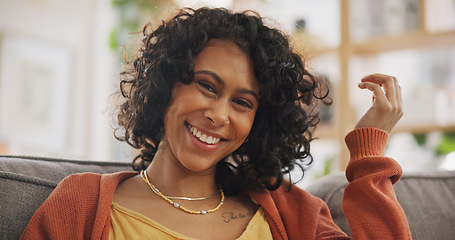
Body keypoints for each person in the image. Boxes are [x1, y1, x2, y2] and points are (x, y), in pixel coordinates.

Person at [20, 7, 411, 239]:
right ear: (166, 86)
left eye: (242, 102)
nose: (220, 114)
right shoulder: (80, 204)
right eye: (207, 86)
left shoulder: (293, 214)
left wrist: (369, 152)